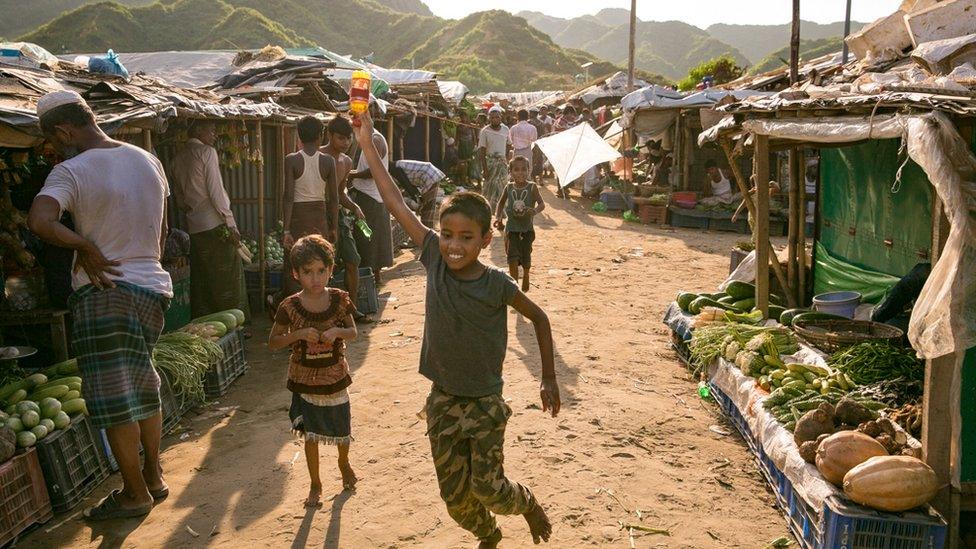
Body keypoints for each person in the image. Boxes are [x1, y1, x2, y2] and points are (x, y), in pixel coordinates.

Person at [354, 111, 559, 548]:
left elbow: (539, 318)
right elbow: (393, 200)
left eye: (466, 237)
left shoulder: (496, 284)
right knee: (454, 499)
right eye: (447, 233)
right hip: (443, 400)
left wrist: (549, 377)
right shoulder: (432, 258)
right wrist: (366, 142)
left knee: (489, 488)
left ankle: (526, 503)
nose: (453, 244)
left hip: (485, 401)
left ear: (486, 240)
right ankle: (489, 534)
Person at [28, 91, 172, 520]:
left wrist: (83, 245)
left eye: (54, 141)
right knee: (144, 386)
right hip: (152, 289)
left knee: (114, 399)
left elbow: (39, 220)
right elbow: (162, 231)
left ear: (64, 130)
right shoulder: (147, 159)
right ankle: (153, 476)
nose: (55, 150)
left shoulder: (71, 171)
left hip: (106, 291)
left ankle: (133, 493)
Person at [269, 235, 359, 506]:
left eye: (321, 271)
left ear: (331, 270)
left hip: (335, 376)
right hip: (305, 380)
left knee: (342, 426)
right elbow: (273, 342)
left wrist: (336, 332)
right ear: (296, 274)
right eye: (308, 272)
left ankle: (344, 463)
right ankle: (315, 483)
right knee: (311, 435)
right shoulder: (289, 306)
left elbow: (353, 332)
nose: (316, 278)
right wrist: (297, 334)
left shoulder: (340, 300)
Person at [171, 120, 248, 320]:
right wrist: (230, 223)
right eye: (211, 131)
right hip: (215, 224)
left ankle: (208, 322)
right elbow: (216, 193)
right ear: (197, 130)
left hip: (194, 227)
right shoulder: (207, 152)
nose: (215, 135)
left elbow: (180, 200)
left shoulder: (177, 159)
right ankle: (235, 321)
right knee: (228, 278)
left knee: (204, 278)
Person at [281, 116, 339, 297]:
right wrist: (334, 227)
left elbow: (288, 197)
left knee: (297, 262)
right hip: (319, 218)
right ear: (320, 136)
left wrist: (286, 230)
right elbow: (334, 199)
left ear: (299, 135)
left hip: (298, 218)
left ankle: (296, 305)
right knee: (320, 259)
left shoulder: (291, 160)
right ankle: (320, 302)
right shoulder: (328, 161)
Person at [321, 116, 369, 322]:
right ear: (330, 136)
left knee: (352, 260)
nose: (346, 143)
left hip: (339, 215)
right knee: (323, 264)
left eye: (349, 138)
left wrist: (354, 206)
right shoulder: (319, 156)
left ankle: (351, 309)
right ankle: (324, 312)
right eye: (341, 138)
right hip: (319, 214)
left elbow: (341, 193)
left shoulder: (347, 161)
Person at [348, 115, 393, 287]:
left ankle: (374, 276)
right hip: (368, 195)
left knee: (368, 238)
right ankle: (374, 275)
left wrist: (353, 174)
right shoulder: (368, 138)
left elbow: (374, 170)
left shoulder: (375, 139)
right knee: (370, 237)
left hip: (372, 197)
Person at [493, 156, 545, 292]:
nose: (520, 172)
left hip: (527, 229)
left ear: (529, 170)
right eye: (516, 169)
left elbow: (542, 204)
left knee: (526, 256)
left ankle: (526, 274)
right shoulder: (509, 187)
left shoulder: (532, 187)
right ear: (510, 172)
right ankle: (514, 287)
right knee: (512, 258)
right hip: (512, 229)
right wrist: (498, 217)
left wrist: (534, 211)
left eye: (523, 169)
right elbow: (501, 203)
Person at [394, 159, 446, 228]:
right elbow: (408, 185)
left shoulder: (395, 169)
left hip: (429, 175)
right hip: (428, 175)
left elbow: (408, 186)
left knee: (428, 207)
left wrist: (417, 199)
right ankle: (426, 229)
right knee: (426, 205)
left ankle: (426, 231)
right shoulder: (396, 166)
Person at [478, 106, 511, 209]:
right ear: (489, 118)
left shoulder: (505, 129)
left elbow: (509, 144)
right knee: (489, 188)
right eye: (492, 117)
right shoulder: (485, 131)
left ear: (500, 118)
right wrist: (485, 169)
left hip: (502, 163)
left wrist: (505, 158)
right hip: (490, 164)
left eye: (497, 117)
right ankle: (488, 211)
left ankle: (500, 215)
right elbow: (482, 151)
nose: (495, 119)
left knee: (502, 187)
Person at [508, 110, 538, 174]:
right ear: (528, 117)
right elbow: (534, 141)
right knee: (527, 170)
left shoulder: (513, 128)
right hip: (528, 151)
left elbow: (510, 141)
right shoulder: (532, 128)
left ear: (517, 117)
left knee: (516, 170)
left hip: (517, 151)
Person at [455, 111, 477, 186]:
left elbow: (473, 135)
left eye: (465, 117)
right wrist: (456, 145)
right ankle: (462, 179)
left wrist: (475, 145)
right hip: (462, 145)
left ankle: (469, 178)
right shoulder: (459, 126)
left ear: (467, 117)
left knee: (470, 162)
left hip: (469, 145)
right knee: (462, 162)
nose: (463, 118)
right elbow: (457, 136)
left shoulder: (470, 125)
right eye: (462, 117)